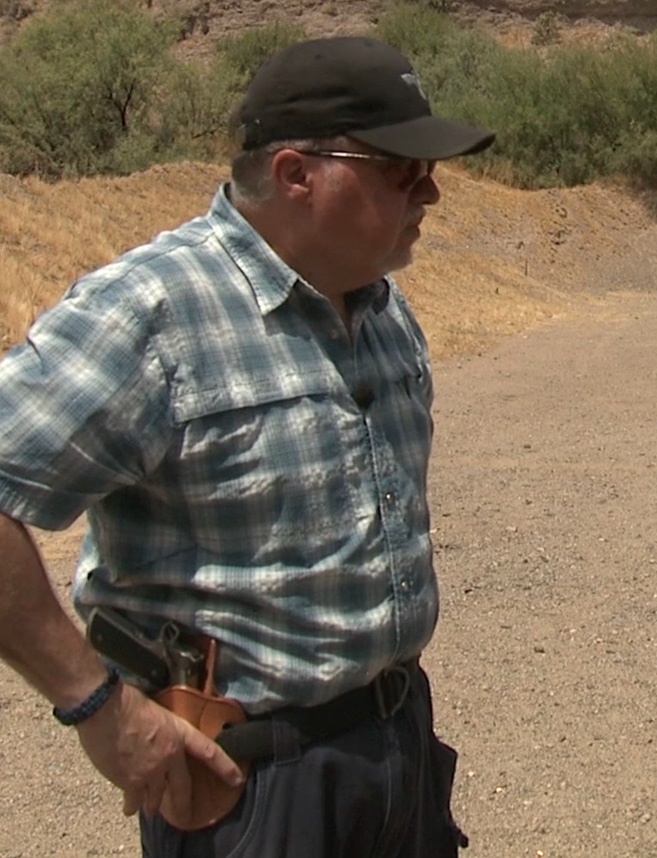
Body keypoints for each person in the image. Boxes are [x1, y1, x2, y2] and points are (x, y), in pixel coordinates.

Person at [0, 36, 493, 856]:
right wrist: (95, 705)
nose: (431, 192)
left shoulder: (382, 308)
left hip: (396, 752)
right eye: (401, 170)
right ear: (298, 174)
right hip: (253, 791)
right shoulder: (154, 313)